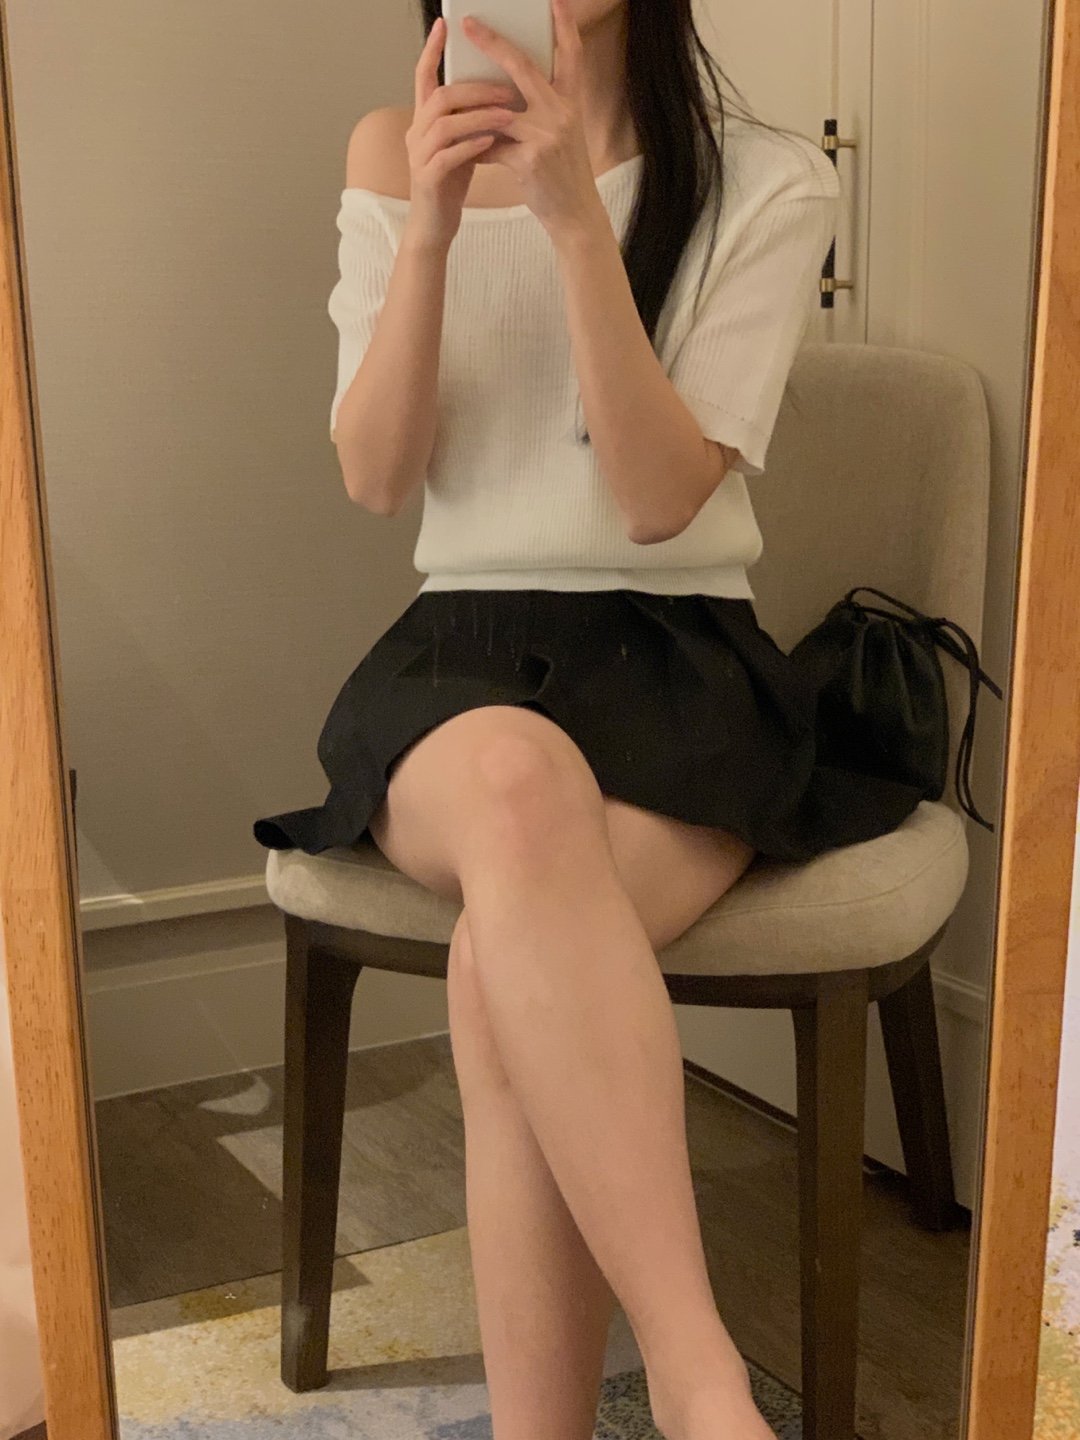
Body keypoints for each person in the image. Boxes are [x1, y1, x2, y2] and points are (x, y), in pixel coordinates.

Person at [254, 2, 922, 1435]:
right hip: (457, 668)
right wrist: (430, 230)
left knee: (501, 963)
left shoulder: (764, 176)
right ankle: (701, 1381)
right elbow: (377, 478)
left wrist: (573, 222)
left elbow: (657, 495)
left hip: (679, 662)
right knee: (515, 786)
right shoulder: (390, 148)